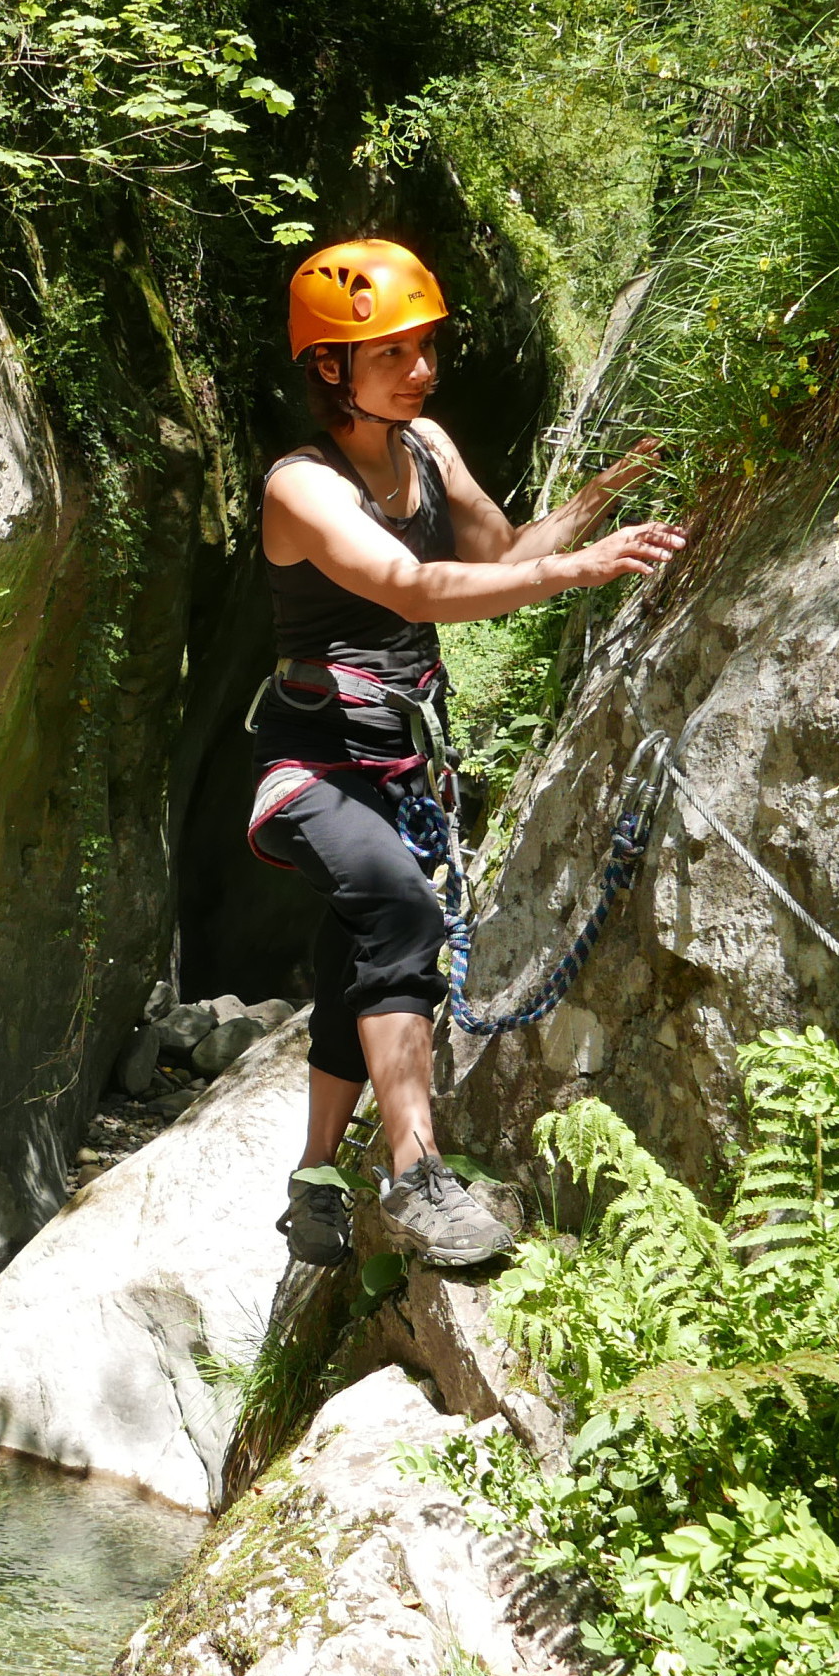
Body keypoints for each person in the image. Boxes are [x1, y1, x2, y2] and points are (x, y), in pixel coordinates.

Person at [248, 237, 686, 1269]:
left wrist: (599, 506)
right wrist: (579, 570)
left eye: (426, 347)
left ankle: (314, 1179)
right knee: (396, 907)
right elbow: (416, 590)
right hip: (311, 765)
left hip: (399, 762)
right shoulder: (300, 489)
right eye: (393, 353)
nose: (421, 369)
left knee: (360, 947)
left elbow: (495, 557)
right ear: (328, 368)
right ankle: (415, 1174)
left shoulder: (427, 448)